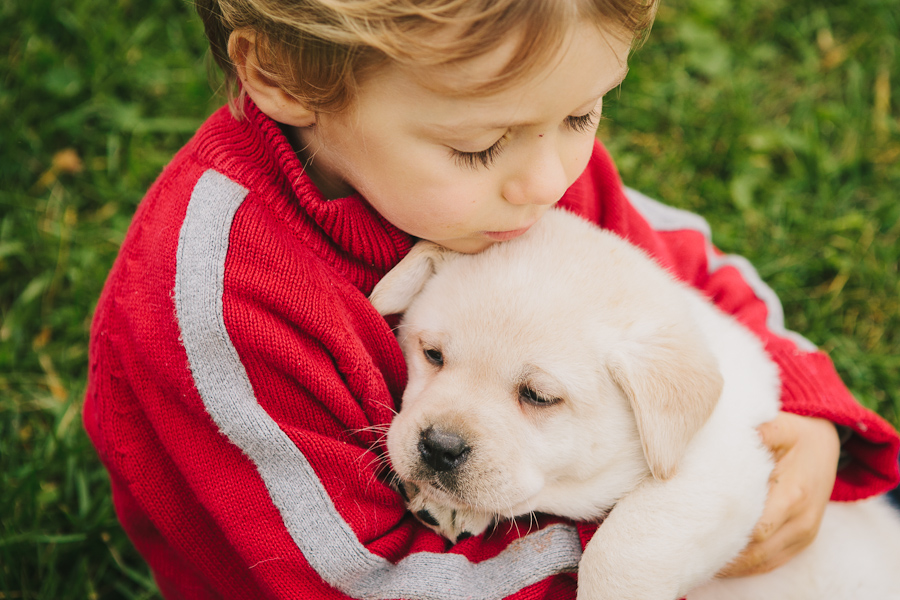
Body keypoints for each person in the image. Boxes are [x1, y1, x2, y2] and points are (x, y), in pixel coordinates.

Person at [82, 1, 900, 598]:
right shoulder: (220, 305)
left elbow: (683, 273)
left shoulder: (524, 179)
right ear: (285, 78)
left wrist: (805, 414)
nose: (550, 180)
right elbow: (357, 580)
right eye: (477, 146)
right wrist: (657, 546)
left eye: (582, 113)